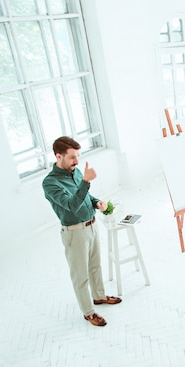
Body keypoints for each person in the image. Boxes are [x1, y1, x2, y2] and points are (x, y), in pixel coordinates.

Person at [42, 136, 122, 327]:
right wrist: (86, 181)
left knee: (95, 266)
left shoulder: (76, 172)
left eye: (77, 156)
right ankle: (88, 312)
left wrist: (96, 202)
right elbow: (71, 205)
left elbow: (85, 195)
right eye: (71, 157)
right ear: (58, 156)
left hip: (92, 225)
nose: (76, 161)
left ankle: (99, 296)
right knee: (80, 275)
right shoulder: (50, 183)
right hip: (75, 233)